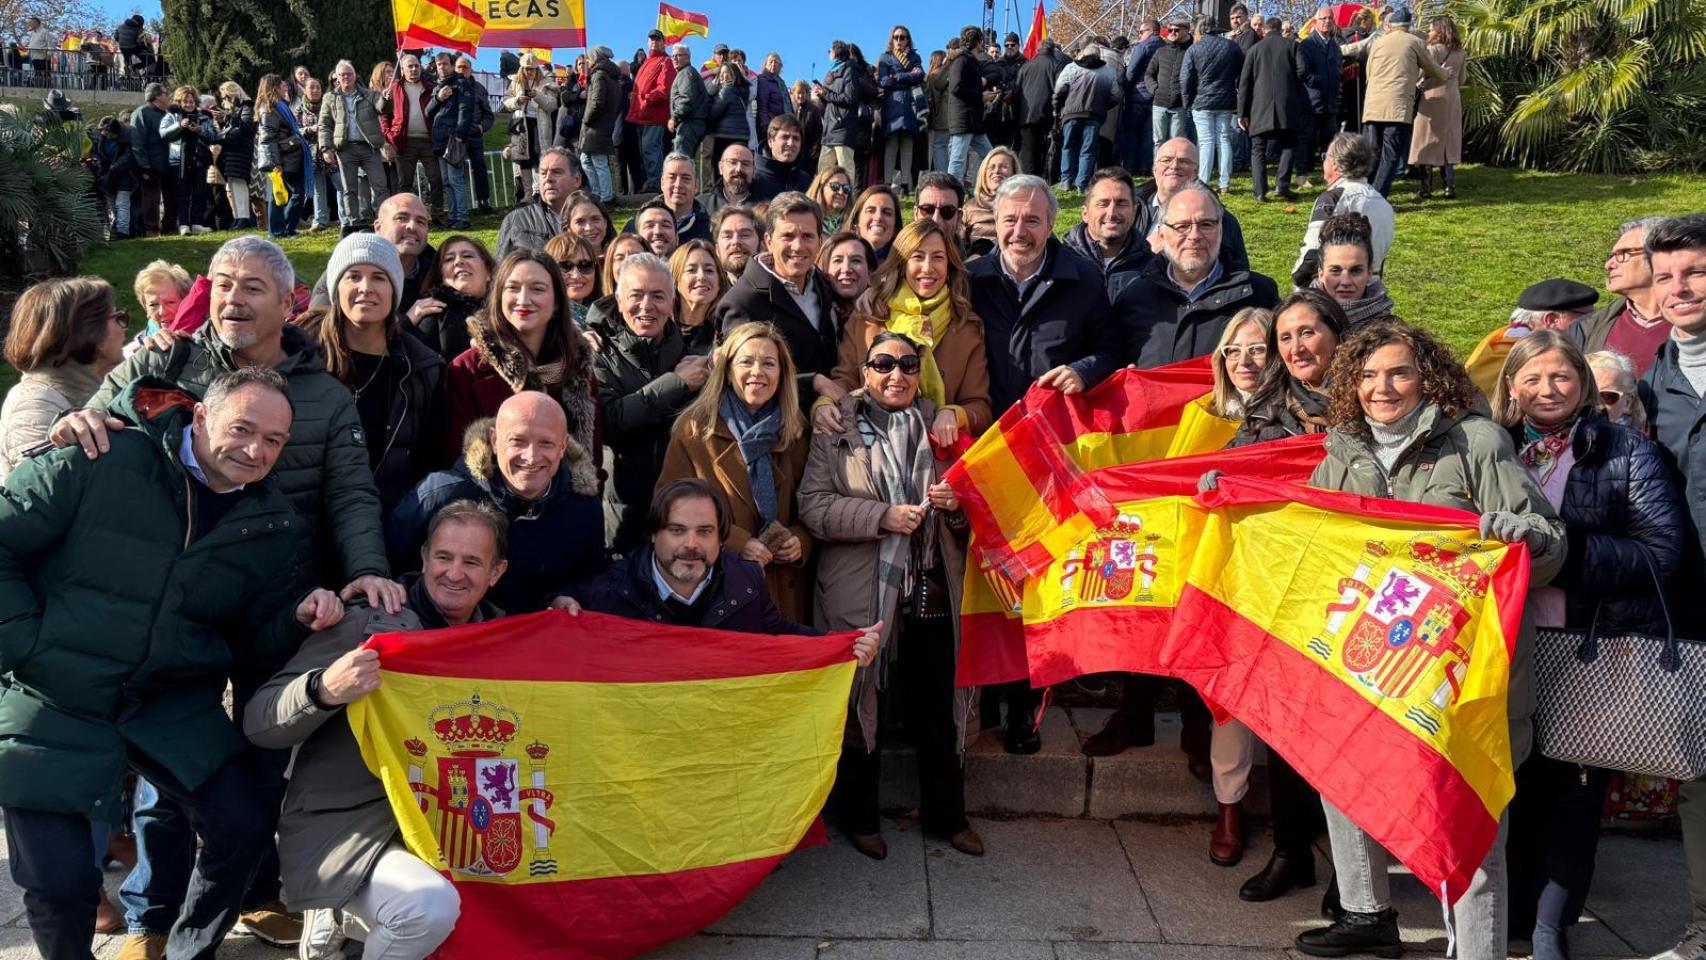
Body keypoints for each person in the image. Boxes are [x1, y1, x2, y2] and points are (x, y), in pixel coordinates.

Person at [1, 366, 344, 960]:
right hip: (55, 691)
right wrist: (26, 644)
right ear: (202, 416)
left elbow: (249, 646)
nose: (255, 450)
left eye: (274, 441)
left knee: (242, 827)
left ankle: (190, 952)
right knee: (61, 886)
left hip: (168, 702)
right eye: (243, 429)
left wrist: (296, 619)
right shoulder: (101, 455)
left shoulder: (271, 524)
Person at [1293, 317, 1564, 960]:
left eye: (1397, 372)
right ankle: (1366, 913)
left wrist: (1521, 535)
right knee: (1342, 775)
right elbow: (1305, 537)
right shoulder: (1342, 451)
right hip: (1371, 660)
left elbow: (1551, 542)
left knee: (1466, 824)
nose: (1380, 388)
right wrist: (1231, 505)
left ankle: (1477, 953)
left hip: (1459, 672)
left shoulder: (1475, 441)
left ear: (1428, 377)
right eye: (1366, 375)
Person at [1484, 331, 1685, 960]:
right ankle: (1512, 915)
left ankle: (1550, 928)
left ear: (1583, 385)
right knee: (1512, 785)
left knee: (1572, 794)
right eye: (1532, 379)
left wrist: (1555, 551)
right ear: (1511, 388)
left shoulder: (1630, 452)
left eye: (1561, 378)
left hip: (1585, 647)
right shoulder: (1492, 448)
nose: (1547, 391)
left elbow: (1662, 554)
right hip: (1507, 642)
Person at [58, 235, 394, 598]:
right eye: (223, 286)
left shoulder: (329, 397)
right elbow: (89, 417)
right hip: (154, 587)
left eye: (252, 288)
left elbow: (350, 495)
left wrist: (367, 570)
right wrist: (76, 420)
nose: (233, 298)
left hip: (274, 601)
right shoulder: (162, 362)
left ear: (286, 303)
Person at [245, 502, 511, 960]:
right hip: (350, 830)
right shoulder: (365, 621)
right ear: (423, 557)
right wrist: (324, 689)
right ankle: (335, 907)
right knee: (426, 910)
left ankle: (348, 918)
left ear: (497, 572)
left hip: (446, 827)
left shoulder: (504, 640)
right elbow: (260, 722)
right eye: (444, 557)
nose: (454, 573)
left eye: (472, 562)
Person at [801, 331, 984, 862]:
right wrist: (880, 516)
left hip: (930, 587)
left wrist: (955, 506)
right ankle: (860, 817)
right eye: (883, 364)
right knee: (862, 700)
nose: (896, 375)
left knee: (936, 706)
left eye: (908, 364)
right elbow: (813, 506)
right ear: (865, 372)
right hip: (859, 589)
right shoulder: (836, 427)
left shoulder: (942, 428)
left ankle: (948, 816)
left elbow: (981, 510)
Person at [1637, 214, 1706, 960]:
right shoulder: (1656, 383)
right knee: (1702, 771)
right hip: (1692, 600)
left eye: (1693, 272)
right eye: (1666, 277)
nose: (1680, 289)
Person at [656, 322, 812, 622]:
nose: (758, 372)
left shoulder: (794, 432)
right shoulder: (695, 430)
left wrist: (799, 542)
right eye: (746, 362)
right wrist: (738, 544)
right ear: (727, 371)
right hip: (720, 589)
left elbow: (813, 507)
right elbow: (668, 510)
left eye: (769, 363)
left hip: (784, 590)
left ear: (782, 375)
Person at [390, 392, 602, 611]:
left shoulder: (582, 507)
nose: (531, 457)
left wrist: (563, 597)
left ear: (563, 446)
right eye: (518, 441)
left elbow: (590, 577)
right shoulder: (441, 494)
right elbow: (389, 564)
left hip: (530, 639)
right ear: (494, 440)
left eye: (546, 443)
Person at [822, 218, 993, 444]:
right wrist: (824, 404)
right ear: (902, 264)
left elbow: (980, 409)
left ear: (950, 266)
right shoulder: (869, 315)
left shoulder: (967, 327)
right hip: (871, 452)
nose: (927, 267)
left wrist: (954, 414)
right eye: (917, 256)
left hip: (934, 458)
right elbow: (845, 381)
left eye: (938, 257)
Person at [315, 232, 446, 512]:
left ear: (394, 291)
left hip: (390, 517)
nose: (366, 287)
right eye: (353, 276)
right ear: (336, 287)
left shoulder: (423, 368)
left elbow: (430, 461)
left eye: (379, 277)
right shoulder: (304, 357)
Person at [595, 250, 709, 552]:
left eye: (658, 296)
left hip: (678, 516)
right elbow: (610, 422)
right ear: (619, 301)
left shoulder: (687, 353)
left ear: (672, 303)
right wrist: (677, 383)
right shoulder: (596, 353)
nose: (646, 306)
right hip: (621, 521)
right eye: (636, 295)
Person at [443, 249, 600, 466]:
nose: (524, 300)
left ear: (556, 302)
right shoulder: (467, 369)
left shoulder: (578, 368)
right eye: (513, 288)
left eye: (537, 289)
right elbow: (455, 458)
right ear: (498, 296)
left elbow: (593, 462)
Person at [1116, 183, 1281, 368]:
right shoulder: (1134, 296)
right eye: (1182, 226)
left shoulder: (1258, 293)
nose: (1194, 235)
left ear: (1221, 230)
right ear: (1161, 235)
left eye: (1206, 225)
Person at [713, 192, 843, 404]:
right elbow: (743, 379)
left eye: (807, 236)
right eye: (788, 236)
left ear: (820, 241)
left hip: (830, 413)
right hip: (779, 426)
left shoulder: (820, 281)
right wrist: (814, 383)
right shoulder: (742, 302)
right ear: (768, 241)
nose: (798, 246)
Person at [0, 277, 128, 475]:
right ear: (88, 331)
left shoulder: (93, 386)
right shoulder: (33, 406)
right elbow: (40, 493)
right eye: (119, 319)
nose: (124, 329)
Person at [1340, 9, 1446, 196]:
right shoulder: (1415, 42)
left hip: (1373, 105)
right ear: (1407, 26)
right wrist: (1446, 74)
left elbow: (1370, 71)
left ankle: (1364, 189)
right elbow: (1434, 70)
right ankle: (1378, 194)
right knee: (1390, 153)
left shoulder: (1377, 42)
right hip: (1397, 107)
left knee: (1372, 151)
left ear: (1390, 25)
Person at [1464, 278, 1601, 399]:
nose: (1591, 326)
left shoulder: (1497, 338)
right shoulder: (1517, 356)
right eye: (1586, 319)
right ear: (1552, 320)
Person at [310, 193, 437, 321]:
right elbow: (318, 329)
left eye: (420, 221)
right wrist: (407, 320)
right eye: (401, 218)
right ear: (378, 227)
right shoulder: (347, 267)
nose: (412, 226)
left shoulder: (437, 271)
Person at [1136, 139, 1251, 271]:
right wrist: (1146, 250)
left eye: (1184, 161)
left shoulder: (1220, 219)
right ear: (1155, 169)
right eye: (1166, 160)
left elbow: (1238, 273)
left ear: (1196, 172)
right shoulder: (1131, 209)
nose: (1174, 166)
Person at [1293, 132, 1394, 282]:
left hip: (1336, 289)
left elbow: (1312, 254)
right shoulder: (1384, 204)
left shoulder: (1332, 198)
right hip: (1372, 287)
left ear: (1334, 163)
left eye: (1325, 156)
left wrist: (1298, 281)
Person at [1573, 217, 1669, 372]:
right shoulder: (1586, 329)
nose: (1609, 265)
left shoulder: (1695, 322)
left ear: (1659, 255)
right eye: (1611, 256)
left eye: (1623, 253)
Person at [1237, 19, 1312, 202]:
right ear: (1280, 30)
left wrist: (1242, 113)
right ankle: (1282, 185)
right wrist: (1290, 84)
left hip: (1259, 107)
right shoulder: (1292, 46)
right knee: (1289, 144)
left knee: (1258, 150)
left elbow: (1244, 83)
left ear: (1264, 30)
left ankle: (1260, 191)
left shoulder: (1254, 50)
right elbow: (1303, 71)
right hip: (1287, 105)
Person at [319, 61, 389, 234]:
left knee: (380, 185)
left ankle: (385, 220)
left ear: (355, 75)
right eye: (342, 75)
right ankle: (352, 223)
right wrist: (326, 148)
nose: (346, 77)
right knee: (349, 188)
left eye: (349, 74)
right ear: (337, 78)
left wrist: (386, 98)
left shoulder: (368, 95)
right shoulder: (330, 98)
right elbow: (325, 124)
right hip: (345, 149)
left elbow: (382, 109)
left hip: (369, 147)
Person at [1063, 166, 1151, 301]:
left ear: (1134, 213)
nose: (1112, 213)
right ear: (1085, 213)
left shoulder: (1153, 270)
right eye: (1103, 204)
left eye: (1121, 204)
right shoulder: (1060, 264)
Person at [1180, 14, 1244, 194]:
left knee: (1206, 141)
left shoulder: (1194, 49)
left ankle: (1204, 181)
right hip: (1226, 99)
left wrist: (1187, 102)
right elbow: (1242, 72)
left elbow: (1186, 79)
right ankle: (1225, 182)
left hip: (1202, 101)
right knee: (1224, 139)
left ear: (1200, 29)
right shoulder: (1232, 47)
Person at [380, 54, 445, 225]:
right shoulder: (393, 89)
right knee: (404, 183)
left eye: (416, 66)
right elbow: (384, 117)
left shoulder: (431, 87)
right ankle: (403, 217)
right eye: (410, 66)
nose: (414, 69)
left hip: (429, 140)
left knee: (436, 178)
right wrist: (389, 137)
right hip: (404, 142)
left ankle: (437, 214)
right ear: (402, 70)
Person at [407, 233, 493, 360]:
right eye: (449, 259)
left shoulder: (506, 309)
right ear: (441, 276)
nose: (459, 262)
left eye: (468, 255)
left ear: (488, 272)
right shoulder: (432, 313)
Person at [426, 52, 484, 231]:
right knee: (446, 180)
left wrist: (459, 135)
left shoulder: (462, 83)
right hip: (439, 139)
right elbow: (428, 111)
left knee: (455, 179)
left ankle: (462, 217)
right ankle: (452, 215)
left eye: (444, 64)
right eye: (438, 64)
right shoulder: (438, 87)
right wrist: (438, 98)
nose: (441, 67)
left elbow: (465, 111)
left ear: (451, 65)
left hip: (454, 139)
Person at [1052, 37, 1119, 194]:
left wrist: (1057, 109)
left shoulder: (1071, 68)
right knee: (1087, 149)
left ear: (1082, 54)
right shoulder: (1107, 72)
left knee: (1068, 146)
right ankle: (1082, 183)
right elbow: (1116, 95)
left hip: (1071, 114)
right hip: (1094, 115)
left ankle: (1066, 180)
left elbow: (1059, 91)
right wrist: (1103, 106)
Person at [1409, 17, 1465, 200]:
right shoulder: (1460, 52)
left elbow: (1420, 73)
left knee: (1426, 141)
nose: (1429, 32)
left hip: (1432, 97)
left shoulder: (1432, 50)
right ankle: (1449, 186)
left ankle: (1426, 188)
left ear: (1439, 31)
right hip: (1453, 98)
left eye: (1431, 29)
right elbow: (1463, 78)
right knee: (1448, 140)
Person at [495, 148, 585, 258]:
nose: (548, 179)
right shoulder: (516, 219)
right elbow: (500, 271)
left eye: (557, 172)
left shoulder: (594, 217)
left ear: (577, 179)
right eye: (543, 173)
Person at [1312, 213, 1395, 327]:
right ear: (1320, 273)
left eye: (1356, 271)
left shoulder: (1390, 331)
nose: (1346, 282)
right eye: (1335, 271)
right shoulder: (1297, 320)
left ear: (1369, 272)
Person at [256, 73, 311, 239]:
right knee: (279, 195)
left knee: (297, 193)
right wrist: (275, 163)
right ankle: (278, 231)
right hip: (282, 159)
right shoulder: (270, 110)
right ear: (274, 88)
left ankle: (287, 228)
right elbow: (267, 139)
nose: (286, 87)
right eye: (282, 85)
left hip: (291, 157)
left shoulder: (281, 106)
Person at [503, 54, 561, 201]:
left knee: (540, 157)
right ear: (522, 69)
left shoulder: (547, 83)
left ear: (537, 69)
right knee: (524, 158)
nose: (530, 72)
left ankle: (540, 193)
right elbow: (506, 101)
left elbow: (552, 105)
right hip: (520, 125)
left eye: (533, 69)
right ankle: (528, 195)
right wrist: (517, 100)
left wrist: (537, 96)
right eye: (527, 69)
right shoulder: (515, 82)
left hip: (539, 125)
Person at [159, 85, 216, 236]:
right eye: (185, 102)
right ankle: (183, 224)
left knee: (199, 193)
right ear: (179, 102)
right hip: (179, 160)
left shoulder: (203, 116)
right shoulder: (172, 115)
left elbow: (213, 136)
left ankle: (197, 223)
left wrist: (200, 130)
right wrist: (179, 126)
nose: (189, 104)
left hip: (199, 159)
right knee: (182, 194)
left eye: (191, 101)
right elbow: (164, 134)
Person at [878, 25, 926, 193]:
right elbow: (883, 81)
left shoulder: (915, 56)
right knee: (891, 143)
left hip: (910, 104)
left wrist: (897, 76)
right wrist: (908, 76)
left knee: (907, 143)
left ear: (908, 39)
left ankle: (906, 184)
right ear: (891, 39)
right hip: (892, 104)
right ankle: (888, 183)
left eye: (902, 37)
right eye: (896, 37)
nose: (899, 40)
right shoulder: (885, 57)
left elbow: (920, 75)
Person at [1296, 7, 1343, 181]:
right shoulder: (1307, 44)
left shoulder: (1333, 45)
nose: (1327, 21)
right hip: (1311, 100)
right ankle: (1302, 175)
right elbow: (1302, 72)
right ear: (1315, 21)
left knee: (1330, 140)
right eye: (1323, 18)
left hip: (1329, 101)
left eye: (1330, 18)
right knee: (1305, 139)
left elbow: (1338, 67)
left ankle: (1330, 174)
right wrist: (1320, 81)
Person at [945, 25, 994, 184]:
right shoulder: (961, 60)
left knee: (991, 156)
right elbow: (956, 88)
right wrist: (980, 96)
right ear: (978, 42)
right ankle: (950, 194)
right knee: (958, 161)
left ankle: (990, 188)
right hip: (964, 119)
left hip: (972, 120)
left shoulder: (969, 60)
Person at [578, 45, 622, 204]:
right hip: (603, 124)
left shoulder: (599, 76)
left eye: (589, 58)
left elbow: (596, 102)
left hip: (595, 126)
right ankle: (597, 195)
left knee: (598, 161)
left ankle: (605, 197)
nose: (587, 61)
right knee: (586, 159)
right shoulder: (612, 76)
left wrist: (586, 119)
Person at [1013, 39, 1062, 178]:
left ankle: (1027, 178)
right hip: (1046, 114)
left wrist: (1017, 115)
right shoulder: (1056, 65)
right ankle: (1038, 179)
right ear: (1053, 50)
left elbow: (1016, 92)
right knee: (1043, 149)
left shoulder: (1026, 66)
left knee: (1028, 149)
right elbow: (1059, 90)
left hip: (1026, 115)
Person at [129, 83, 173, 236]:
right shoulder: (141, 113)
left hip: (169, 164)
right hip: (151, 165)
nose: (169, 96)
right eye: (166, 93)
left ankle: (169, 228)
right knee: (150, 200)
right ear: (157, 96)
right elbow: (137, 140)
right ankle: (151, 230)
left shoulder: (167, 114)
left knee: (171, 199)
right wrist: (145, 165)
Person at [816, 40, 864, 180]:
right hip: (829, 127)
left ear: (835, 52)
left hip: (843, 127)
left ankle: (850, 201)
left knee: (846, 168)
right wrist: (821, 93)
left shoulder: (850, 70)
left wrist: (826, 94)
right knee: (823, 170)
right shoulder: (830, 73)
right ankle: (820, 200)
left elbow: (850, 98)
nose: (828, 54)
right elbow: (829, 99)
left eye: (829, 51)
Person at [213, 82, 258, 230]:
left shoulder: (246, 106)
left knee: (239, 185)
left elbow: (246, 126)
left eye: (226, 96)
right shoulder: (240, 108)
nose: (225, 100)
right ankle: (240, 218)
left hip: (241, 151)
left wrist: (229, 116)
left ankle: (243, 218)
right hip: (234, 153)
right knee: (233, 185)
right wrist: (225, 119)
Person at [670, 239, 724, 354]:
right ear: (675, 280)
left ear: (719, 283)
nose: (702, 276)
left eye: (709, 270)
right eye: (691, 270)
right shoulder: (660, 330)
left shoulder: (726, 334)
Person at [964, 146, 1016, 255]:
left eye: (1004, 167)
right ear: (984, 172)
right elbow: (958, 248)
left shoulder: (1024, 206)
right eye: (991, 167)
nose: (997, 171)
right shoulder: (969, 208)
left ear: (1014, 173)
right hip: (981, 266)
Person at [820, 232, 878, 328]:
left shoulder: (884, 309)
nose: (846, 269)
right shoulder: (815, 312)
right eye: (837, 260)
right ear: (825, 269)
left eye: (856, 260)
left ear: (870, 273)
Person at [1145, 21, 1190, 146]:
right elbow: (1149, 74)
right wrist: (1155, 89)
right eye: (1170, 30)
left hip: (1180, 105)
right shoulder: (1161, 52)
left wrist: (1186, 95)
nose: (1172, 33)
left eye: (1176, 30)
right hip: (1159, 103)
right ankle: (1158, 166)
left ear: (1186, 31)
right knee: (1158, 141)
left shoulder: (1190, 52)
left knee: (1176, 142)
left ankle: (1175, 166)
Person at [653, 151, 712, 243]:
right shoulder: (640, 226)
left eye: (686, 178)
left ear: (696, 185)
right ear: (662, 183)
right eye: (672, 177)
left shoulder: (711, 229)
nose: (678, 184)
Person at [753, 114, 814, 200]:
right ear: (770, 142)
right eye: (785, 137)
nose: (791, 143)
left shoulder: (806, 181)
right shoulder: (753, 178)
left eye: (796, 138)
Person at [545, 232, 603, 322]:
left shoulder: (605, 312)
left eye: (585, 265)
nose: (576, 275)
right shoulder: (544, 320)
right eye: (565, 266)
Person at [667, 44, 711, 161]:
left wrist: (674, 118)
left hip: (690, 123)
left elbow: (686, 99)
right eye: (673, 56)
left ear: (688, 57)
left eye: (678, 55)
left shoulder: (686, 73)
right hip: (693, 123)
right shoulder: (686, 72)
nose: (674, 59)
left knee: (681, 161)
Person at [131, 259, 192, 342]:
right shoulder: (137, 348)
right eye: (153, 305)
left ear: (186, 302)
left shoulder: (204, 340)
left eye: (170, 302)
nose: (162, 312)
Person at [708, 62, 753, 169]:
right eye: (721, 73)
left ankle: (721, 186)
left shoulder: (726, 90)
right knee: (739, 165)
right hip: (743, 134)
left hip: (726, 134)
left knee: (720, 166)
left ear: (734, 75)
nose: (723, 76)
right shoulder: (744, 90)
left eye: (727, 73)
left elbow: (714, 113)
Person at [1588, 350, 1646, 430]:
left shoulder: (1632, 441)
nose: (1595, 404)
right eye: (1587, 394)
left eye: (1606, 396)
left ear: (1628, 402)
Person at [913, 171, 969, 253]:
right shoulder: (897, 258)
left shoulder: (973, 263)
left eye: (947, 211)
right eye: (927, 210)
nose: (936, 220)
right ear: (915, 214)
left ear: (959, 217)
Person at [712, 204, 762, 286]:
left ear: (762, 244)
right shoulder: (710, 294)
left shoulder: (778, 289)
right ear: (717, 250)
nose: (735, 241)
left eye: (745, 235)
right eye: (727, 236)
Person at [701, 142, 758, 214]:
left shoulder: (767, 205)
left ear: (754, 171)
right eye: (733, 162)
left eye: (745, 164)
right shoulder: (701, 205)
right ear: (721, 168)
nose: (738, 169)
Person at [852, 184, 901, 263]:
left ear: (895, 226)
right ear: (857, 221)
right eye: (870, 211)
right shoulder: (839, 263)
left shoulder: (905, 267)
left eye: (887, 213)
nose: (878, 217)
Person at [563, 191, 616, 257]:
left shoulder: (622, 259)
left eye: (595, 219)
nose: (589, 228)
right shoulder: (560, 265)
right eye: (580, 222)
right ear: (568, 228)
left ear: (605, 223)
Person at [809, 166, 856, 234]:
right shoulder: (808, 219)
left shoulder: (853, 225)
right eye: (835, 186)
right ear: (821, 188)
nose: (841, 192)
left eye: (846, 188)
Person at [756, 53, 790, 141]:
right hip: (771, 126)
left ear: (780, 66)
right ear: (765, 65)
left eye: (776, 62)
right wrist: (765, 126)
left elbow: (788, 104)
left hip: (784, 124)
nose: (773, 64)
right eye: (770, 62)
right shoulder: (763, 80)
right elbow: (762, 104)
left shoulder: (781, 83)